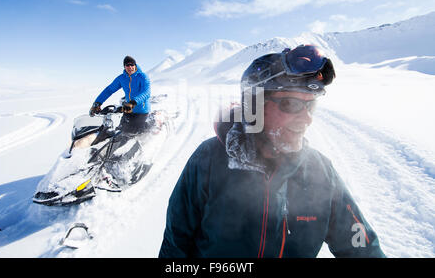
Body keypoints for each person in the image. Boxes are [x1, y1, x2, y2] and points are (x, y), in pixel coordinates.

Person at [159, 45, 386, 258]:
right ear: (254, 106)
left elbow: (362, 246)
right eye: (292, 104)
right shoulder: (208, 159)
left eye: (311, 105)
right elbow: (175, 243)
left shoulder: (320, 172)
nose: (307, 118)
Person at [89, 55, 151, 134]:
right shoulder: (122, 78)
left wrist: (133, 103)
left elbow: (146, 93)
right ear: (124, 67)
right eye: (127, 65)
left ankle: (146, 141)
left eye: (132, 65)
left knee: (132, 134)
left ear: (135, 65)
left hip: (141, 111)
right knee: (120, 132)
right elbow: (109, 90)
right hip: (128, 110)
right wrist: (97, 103)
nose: (130, 67)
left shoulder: (142, 77)